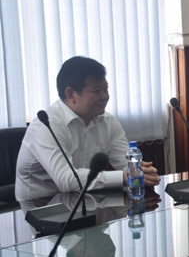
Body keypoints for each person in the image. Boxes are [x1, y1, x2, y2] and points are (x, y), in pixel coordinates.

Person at [15, 56, 160, 200]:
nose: (105, 96)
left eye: (106, 89)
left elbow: (125, 164)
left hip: (86, 201)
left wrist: (140, 170)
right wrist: (125, 176)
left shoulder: (108, 121)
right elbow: (67, 179)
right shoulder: (47, 125)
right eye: (97, 91)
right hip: (41, 207)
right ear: (70, 94)